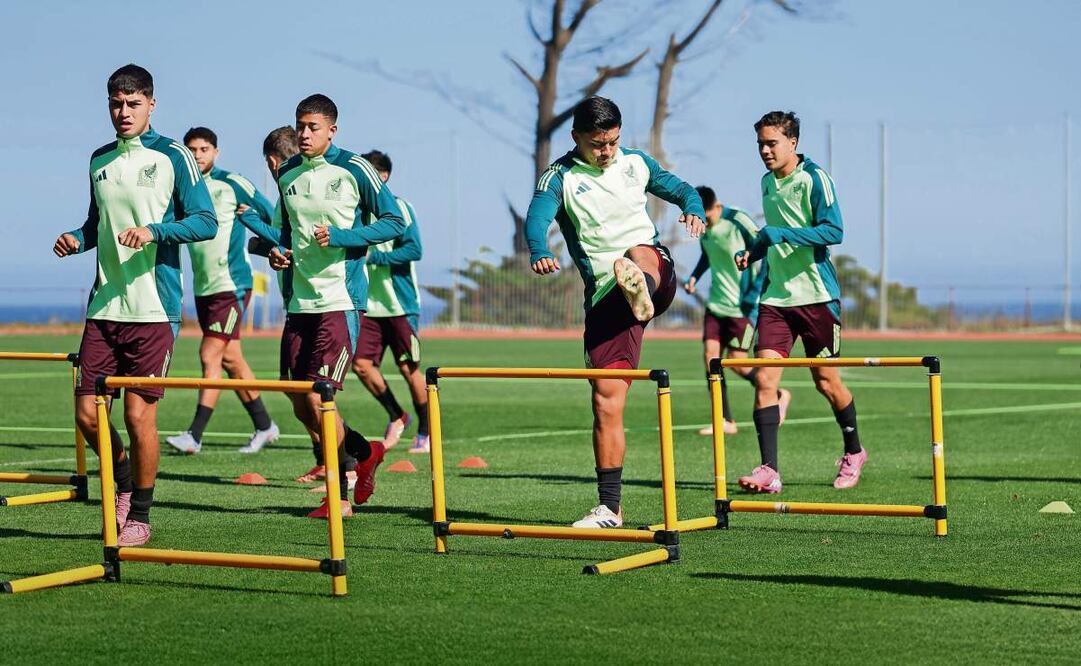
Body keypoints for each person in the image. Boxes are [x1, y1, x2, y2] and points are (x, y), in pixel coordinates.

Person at [52, 64, 217, 545]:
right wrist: (75, 239)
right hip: (104, 308)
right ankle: (122, 482)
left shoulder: (175, 157)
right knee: (87, 417)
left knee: (138, 417)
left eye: (132, 103)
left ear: (151, 103)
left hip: (153, 311)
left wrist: (155, 231)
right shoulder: (98, 159)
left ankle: (140, 513)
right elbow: (95, 223)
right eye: (115, 104)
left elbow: (205, 222)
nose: (123, 112)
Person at [524, 96, 705, 529]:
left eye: (613, 142)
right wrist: (538, 248)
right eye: (597, 145)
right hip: (605, 296)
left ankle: (641, 286)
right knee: (606, 402)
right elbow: (537, 217)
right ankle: (610, 508)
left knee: (637, 252)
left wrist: (693, 209)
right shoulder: (560, 176)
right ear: (576, 138)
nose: (607, 152)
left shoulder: (635, 163)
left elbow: (681, 189)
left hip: (652, 266)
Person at [268, 94, 405, 518]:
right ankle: (365, 452)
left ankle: (339, 497)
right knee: (298, 400)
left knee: (318, 395)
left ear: (332, 130)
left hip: (340, 301)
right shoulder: (288, 172)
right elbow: (284, 230)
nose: (304, 134)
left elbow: (394, 220)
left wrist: (344, 237)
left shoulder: (355, 168)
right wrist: (278, 251)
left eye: (312, 127)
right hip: (300, 302)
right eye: (300, 127)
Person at [734, 110, 866, 493]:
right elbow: (771, 236)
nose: (764, 150)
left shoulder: (814, 179)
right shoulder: (766, 182)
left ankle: (854, 451)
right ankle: (769, 470)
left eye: (771, 143)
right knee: (765, 379)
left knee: (826, 382)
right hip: (775, 299)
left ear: (793, 142)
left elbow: (834, 230)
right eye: (760, 143)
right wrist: (753, 252)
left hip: (817, 298)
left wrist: (779, 233)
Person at [165, 126, 280, 455]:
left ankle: (194, 435)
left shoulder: (233, 183)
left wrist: (273, 245)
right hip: (203, 289)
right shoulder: (181, 190)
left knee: (209, 354)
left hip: (232, 284)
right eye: (192, 150)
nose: (198, 155)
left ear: (216, 152)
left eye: (204, 149)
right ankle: (264, 425)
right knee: (231, 358)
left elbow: (273, 217)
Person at [683, 186, 790, 436]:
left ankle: (778, 394)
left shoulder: (738, 220)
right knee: (711, 359)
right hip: (715, 305)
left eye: (706, 217)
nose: (704, 222)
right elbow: (708, 256)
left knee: (737, 363)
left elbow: (765, 251)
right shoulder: (705, 229)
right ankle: (724, 420)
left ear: (717, 207)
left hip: (742, 307)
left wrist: (754, 294)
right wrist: (694, 277)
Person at [349, 150, 429, 453]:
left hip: (401, 306)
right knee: (361, 365)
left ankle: (426, 431)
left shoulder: (401, 208)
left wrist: (376, 257)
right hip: (368, 306)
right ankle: (397, 415)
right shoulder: (355, 210)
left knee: (410, 369)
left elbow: (414, 250)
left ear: (382, 176)